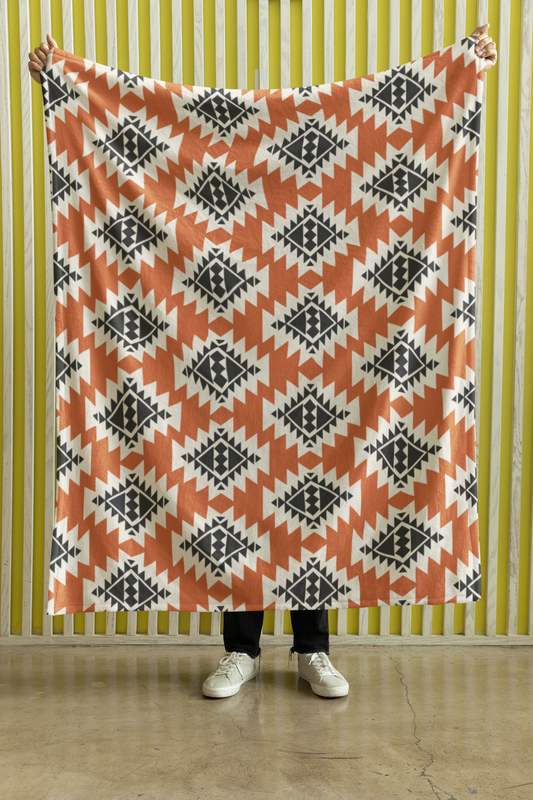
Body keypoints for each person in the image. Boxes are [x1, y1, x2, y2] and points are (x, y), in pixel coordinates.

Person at [28, 26, 497, 700]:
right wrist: (65, 84)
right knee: (231, 473)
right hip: (224, 334)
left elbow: (394, 135)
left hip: (329, 338)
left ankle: (313, 649)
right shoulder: (214, 148)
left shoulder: (333, 133)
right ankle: (240, 650)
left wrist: (461, 69)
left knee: (317, 467)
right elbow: (122, 119)